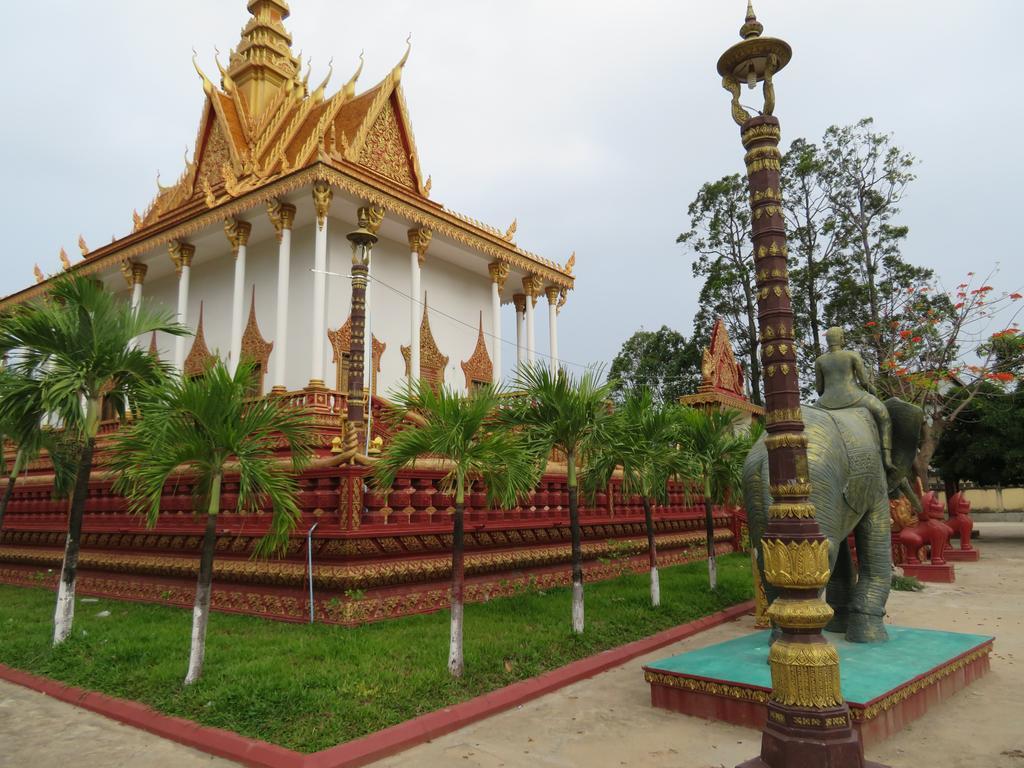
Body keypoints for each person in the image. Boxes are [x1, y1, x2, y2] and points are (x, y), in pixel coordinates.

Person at [814, 326, 895, 473]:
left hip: (825, 403)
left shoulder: (820, 361)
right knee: (883, 416)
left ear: (828, 341)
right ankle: (887, 455)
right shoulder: (852, 355)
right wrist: (875, 393)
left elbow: (819, 389)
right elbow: (864, 382)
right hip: (855, 397)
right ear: (841, 339)